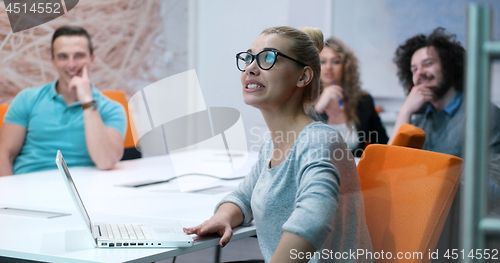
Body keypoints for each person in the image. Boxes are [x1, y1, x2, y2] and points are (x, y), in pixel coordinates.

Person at [184, 26, 373, 262]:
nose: (251, 67)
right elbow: (243, 197)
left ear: (303, 76)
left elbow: (313, 219)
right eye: (249, 57)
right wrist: (224, 215)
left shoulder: (320, 141)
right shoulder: (272, 144)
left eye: (268, 58)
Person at [391, 27, 500, 262]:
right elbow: (389, 172)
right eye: (413, 69)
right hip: (425, 228)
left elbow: (495, 189)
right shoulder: (418, 118)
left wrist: (431, 176)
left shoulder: (483, 113)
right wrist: (406, 111)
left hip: (466, 232)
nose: (420, 72)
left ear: (449, 66)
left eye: (428, 63)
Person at [0, 26, 126, 176]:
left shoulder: (111, 109)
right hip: (29, 189)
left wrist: (87, 102)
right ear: (53, 61)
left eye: (79, 56)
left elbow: (106, 161)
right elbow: (4, 155)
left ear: (92, 59)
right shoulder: (26, 99)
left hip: (85, 192)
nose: (71, 64)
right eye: (63, 57)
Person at [313, 38, 388, 157]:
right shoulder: (305, 100)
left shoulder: (363, 101)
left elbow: (383, 145)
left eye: (336, 61)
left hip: (356, 172)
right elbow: (301, 144)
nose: (328, 67)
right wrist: (318, 109)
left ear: (346, 66)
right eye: (323, 61)